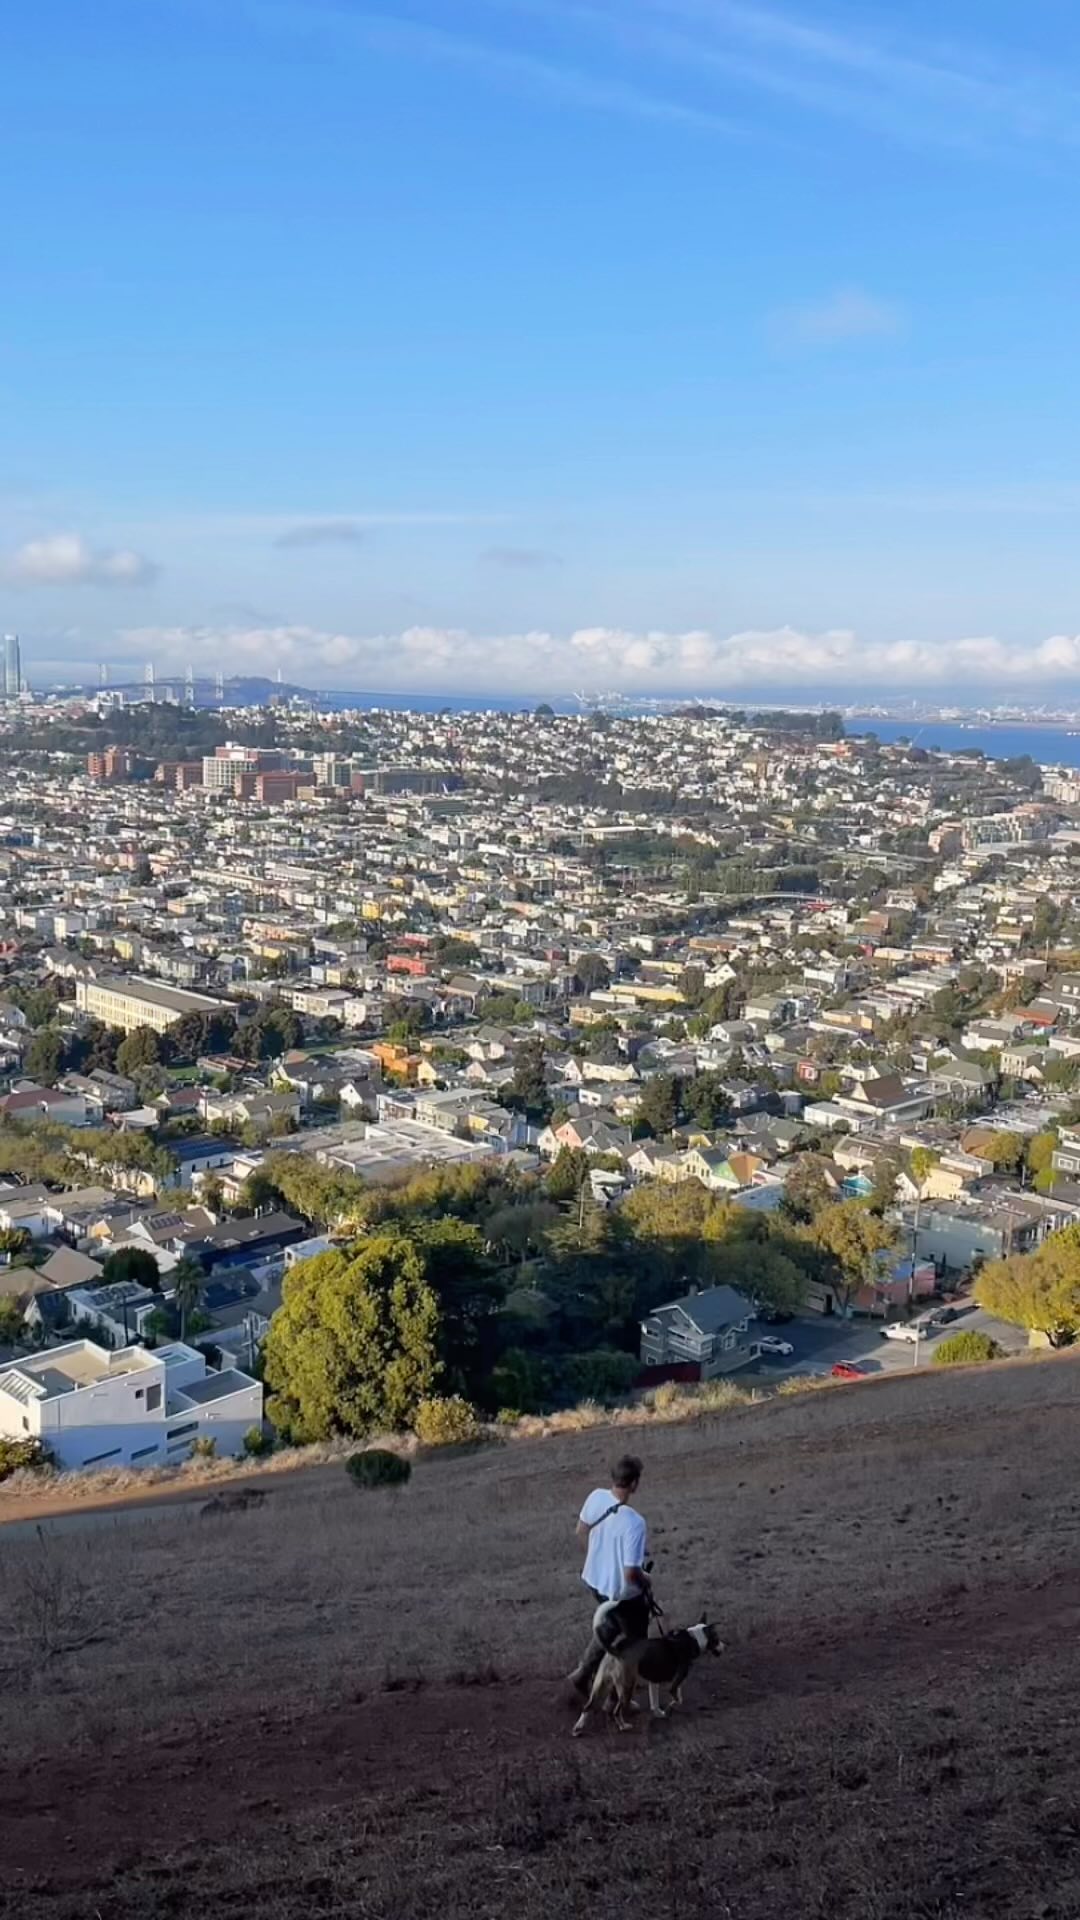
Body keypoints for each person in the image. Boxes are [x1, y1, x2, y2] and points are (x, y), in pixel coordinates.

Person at [568, 1453, 649, 1698]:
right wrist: (647, 1581)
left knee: (611, 1624)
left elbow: (580, 1531)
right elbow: (631, 1574)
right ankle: (616, 1698)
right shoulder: (635, 1523)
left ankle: (582, 1674)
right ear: (634, 1483)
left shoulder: (595, 1497)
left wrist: (597, 1559)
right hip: (620, 1591)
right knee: (636, 1641)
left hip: (594, 1581)